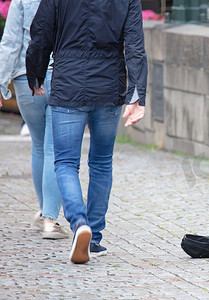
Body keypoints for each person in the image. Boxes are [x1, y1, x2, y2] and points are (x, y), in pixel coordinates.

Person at [26, 0, 147, 264]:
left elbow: (41, 32)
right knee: (102, 162)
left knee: (66, 162)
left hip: (68, 84)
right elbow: (135, 44)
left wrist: (34, 73)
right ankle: (94, 238)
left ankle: (79, 222)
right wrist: (138, 95)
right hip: (109, 85)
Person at [0, 0, 68, 239]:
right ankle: (50, 219)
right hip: (61, 76)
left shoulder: (21, 0)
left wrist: (1, 83)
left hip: (24, 78)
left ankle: (43, 213)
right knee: (53, 149)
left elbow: (9, 43)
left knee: (39, 146)